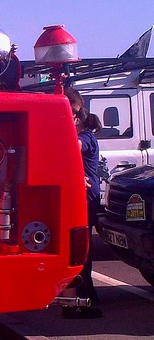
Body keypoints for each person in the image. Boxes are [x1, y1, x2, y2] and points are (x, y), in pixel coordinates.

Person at [66, 105, 104, 318]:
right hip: (88, 196)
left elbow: (72, 146)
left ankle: (84, 295)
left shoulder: (86, 137)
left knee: (82, 247)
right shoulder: (87, 135)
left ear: (77, 117)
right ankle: (86, 294)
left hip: (87, 197)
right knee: (82, 247)